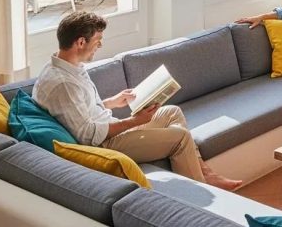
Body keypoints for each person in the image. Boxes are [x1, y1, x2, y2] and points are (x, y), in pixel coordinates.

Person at [33, 12, 242, 190]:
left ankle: (204, 173)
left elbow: (79, 112)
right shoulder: (64, 83)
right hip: (106, 143)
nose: (100, 45)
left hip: (109, 126)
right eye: (98, 40)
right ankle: (197, 193)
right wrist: (135, 121)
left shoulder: (65, 67)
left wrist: (113, 102)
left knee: (171, 112)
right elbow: (88, 135)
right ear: (80, 42)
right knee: (180, 138)